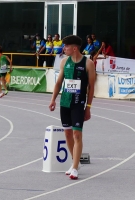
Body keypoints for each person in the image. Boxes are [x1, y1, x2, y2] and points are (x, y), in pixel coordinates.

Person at [49, 35, 95, 179]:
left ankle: (75, 167)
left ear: (74, 48)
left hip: (78, 103)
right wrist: (53, 100)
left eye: (66, 46)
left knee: (77, 134)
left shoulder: (88, 63)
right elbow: (58, 83)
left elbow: (91, 87)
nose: (64, 49)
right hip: (65, 102)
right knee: (67, 134)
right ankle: (75, 161)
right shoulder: (64, 62)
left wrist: (88, 107)